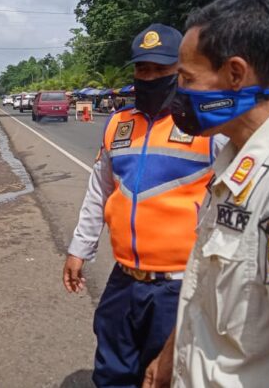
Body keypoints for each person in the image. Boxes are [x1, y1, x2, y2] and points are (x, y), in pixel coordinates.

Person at [144, 0, 269, 387]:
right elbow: (204, 290)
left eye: (187, 79)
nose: (178, 94)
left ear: (235, 74)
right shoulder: (233, 169)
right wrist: (169, 359)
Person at [63, 24, 218, 387]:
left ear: (180, 71)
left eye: (160, 70)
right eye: (142, 69)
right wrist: (78, 250)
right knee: (112, 373)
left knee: (167, 377)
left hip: (177, 288)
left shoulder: (207, 128)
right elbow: (99, 191)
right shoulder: (119, 124)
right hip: (125, 281)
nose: (149, 77)